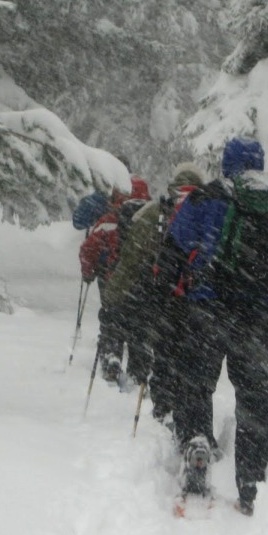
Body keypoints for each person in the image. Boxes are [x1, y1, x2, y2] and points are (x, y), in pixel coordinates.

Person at [166, 137, 268, 516]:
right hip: (256, 315)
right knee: (252, 397)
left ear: (226, 163)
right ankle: (251, 481)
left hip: (207, 308)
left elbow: (177, 240)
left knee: (197, 384)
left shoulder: (205, 198)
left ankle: (197, 442)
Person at [103, 162, 205, 420]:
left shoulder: (154, 213)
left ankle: (163, 408)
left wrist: (112, 298)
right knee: (192, 359)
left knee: (163, 353)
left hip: (159, 295)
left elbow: (130, 261)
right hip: (197, 300)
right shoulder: (210, 212)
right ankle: (190, 413)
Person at [79, 175, 151, 386]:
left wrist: (88, 272)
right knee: (140, 327)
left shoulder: (109, 221)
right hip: (144, 285)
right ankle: (139, 369)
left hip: (112, 280)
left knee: (112, 320)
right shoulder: (153, 219)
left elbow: (88, 249)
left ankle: (112, 355)